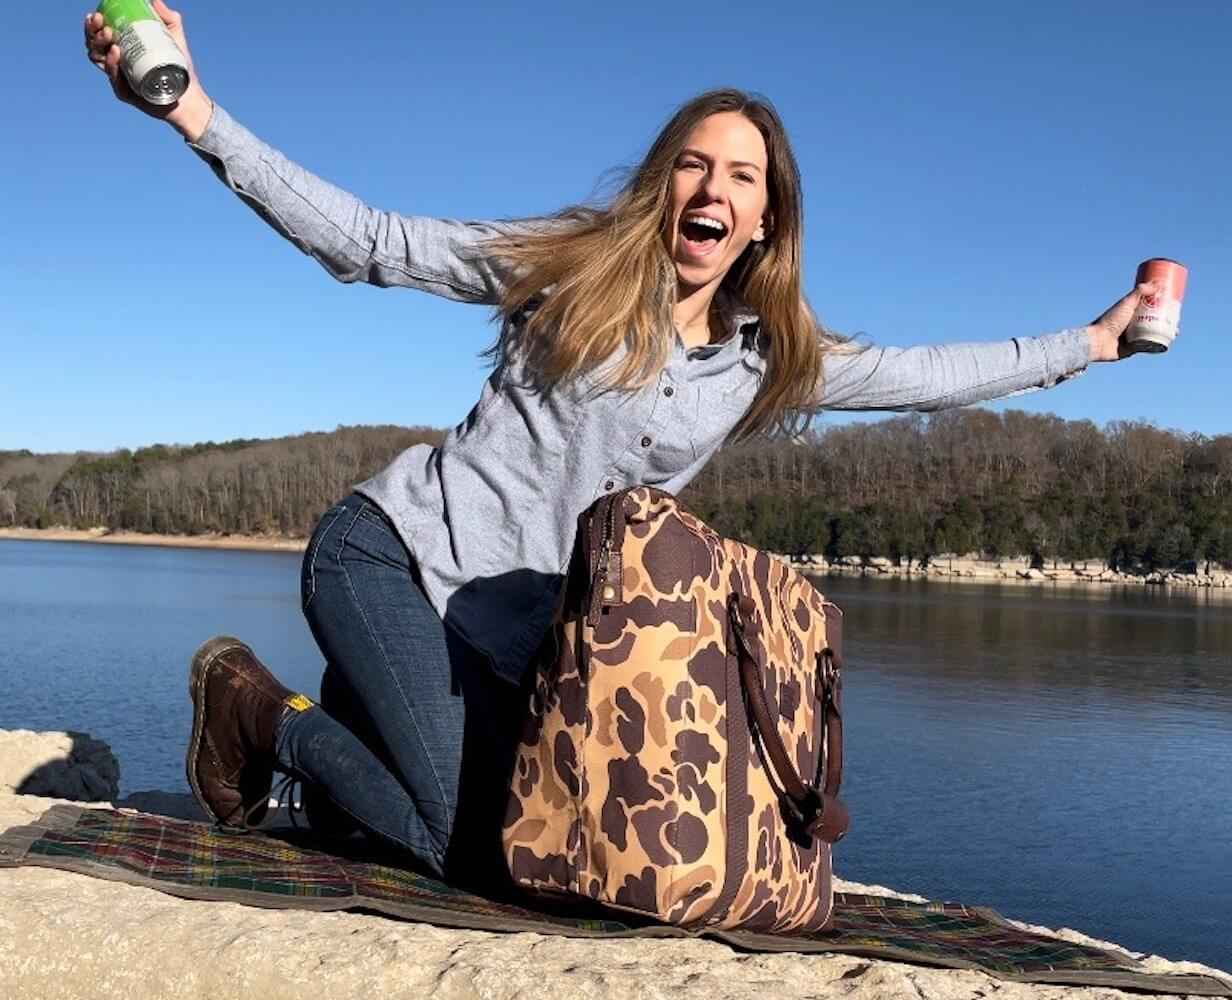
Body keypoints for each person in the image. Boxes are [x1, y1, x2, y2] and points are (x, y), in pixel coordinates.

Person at [84, 3, 1156, 886]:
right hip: (390, 560)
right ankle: (258, 711)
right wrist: (197, 114)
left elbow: (926, 375)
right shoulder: (572, 265)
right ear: (664, 185)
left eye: (742, 177)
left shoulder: (767, 359)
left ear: (765, 220)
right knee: (475, 848)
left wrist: (1091, 345)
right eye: (694, 165)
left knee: (561, 837)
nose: (713, 189)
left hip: (510, 645)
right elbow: (370, 243)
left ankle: (347, 753)